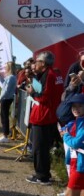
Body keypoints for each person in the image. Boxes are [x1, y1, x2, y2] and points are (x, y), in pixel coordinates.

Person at [49, 93, 84, 196]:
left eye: (80, 106)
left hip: (81, 165)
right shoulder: (78, 120)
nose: (75, 109)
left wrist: (65, 136)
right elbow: (61, 112)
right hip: (78, 163)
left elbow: (76, 143)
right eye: (73, 106)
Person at [25, 51, 64, 185]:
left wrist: (32, 92)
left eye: (37, 61)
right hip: (49, 115)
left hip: (44, 116)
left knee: (39, 148)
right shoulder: (54, 73)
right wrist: (33, 79)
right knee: (42, 148)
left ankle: (42, 176)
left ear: (43, 63)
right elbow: (44, 88)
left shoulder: (50, 75)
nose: (35, 64)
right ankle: (43, 173)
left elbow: (43, 95)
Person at [0, 61, 17, 143]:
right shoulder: (10, 77)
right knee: (3, 116)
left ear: (9, 68)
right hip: (6, 98)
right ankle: (4, 133)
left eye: (5, 67)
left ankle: (5, 135)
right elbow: (3, 84)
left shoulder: (11, 77)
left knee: (4, 117)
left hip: (6, 99)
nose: (4, 68)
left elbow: (6, 91)